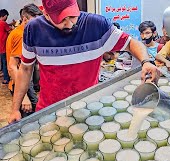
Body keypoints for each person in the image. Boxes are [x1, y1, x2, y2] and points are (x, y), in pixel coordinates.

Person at [9, 0, 159, 123]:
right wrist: (15, 109)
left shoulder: (96, 25)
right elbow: (26, 69)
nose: (69, 24)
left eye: (72, 16)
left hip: (88, 107)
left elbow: (131, 43)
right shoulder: (33, 30)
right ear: (46, 14)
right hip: (50, 109)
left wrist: (146, 61)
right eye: (61, 19)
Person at [6, 4, 42, 118]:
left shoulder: (25, 32)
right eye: (34, 21)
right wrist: (24, 95)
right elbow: (12, 67)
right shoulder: (20, 35)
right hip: (22, 86)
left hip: (25, 84)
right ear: (24, 19)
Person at [0, 9, 12, 84]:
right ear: (4, 16)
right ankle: (6, 79)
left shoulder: (2, 23)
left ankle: (3, 74)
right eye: (6, 16)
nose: (7, 17)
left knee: (2, 61)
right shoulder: (3, 23)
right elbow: (9, 30)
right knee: (5, 62)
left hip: (0, 46)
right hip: (3, 46)